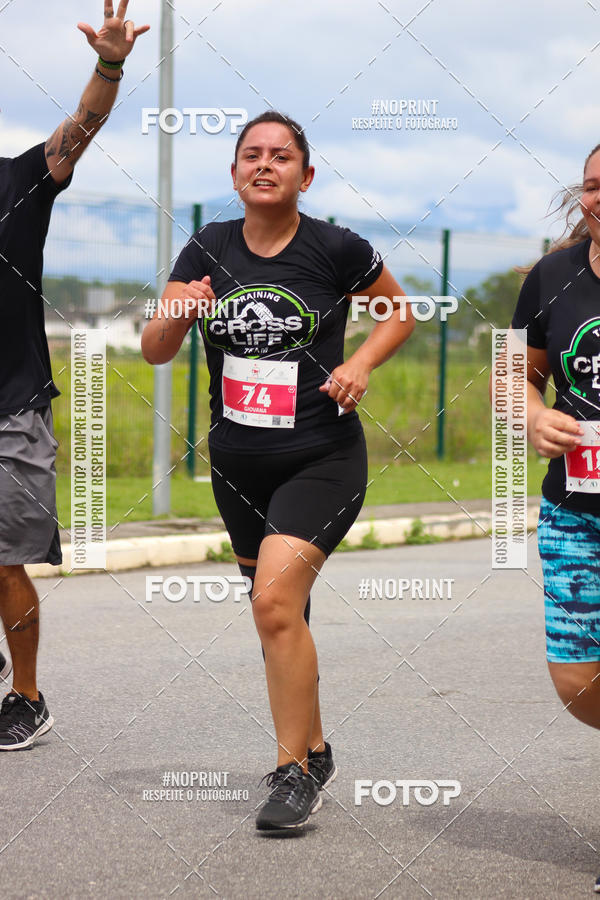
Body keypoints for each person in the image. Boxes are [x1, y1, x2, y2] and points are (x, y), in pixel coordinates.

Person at [142, 110, 415, 829]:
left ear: (306, 174)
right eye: (252, 155)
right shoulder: (207, 246)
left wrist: (360, 363)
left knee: (271, 604)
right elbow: (155, 349)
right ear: (234, 173)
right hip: (237, 466)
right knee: (281, 615)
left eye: (281, 156)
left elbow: (399, 313)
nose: (265, 165)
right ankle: (316, 749)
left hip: (322, 457)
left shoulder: (336, 247)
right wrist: (178, 310)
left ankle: (292, 773)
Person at [0, 1, 149, 751]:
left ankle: (26, 695)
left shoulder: (19, 182)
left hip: (11, 404)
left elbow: (81, 128)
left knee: (5, 562)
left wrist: (109, 62)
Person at [507, 143, 600, 892]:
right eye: (594, 186)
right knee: (576, 682)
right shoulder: (552, 276)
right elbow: (513, 373)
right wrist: (534, 416)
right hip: (575, 510)